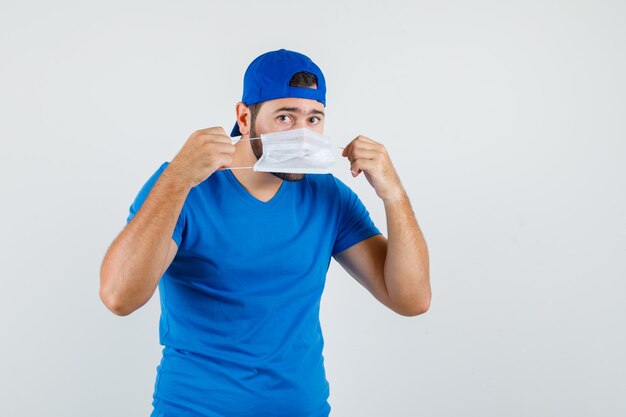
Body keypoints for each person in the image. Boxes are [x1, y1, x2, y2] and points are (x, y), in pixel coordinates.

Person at [99, 48, 431, 417]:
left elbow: (411, 299)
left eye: (314, 118)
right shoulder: (186, 186)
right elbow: (119, 297)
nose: (303, 134)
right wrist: (178, 177)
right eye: (285, 117)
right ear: (244, 117)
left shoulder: (327, 196)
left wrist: (394, 193)